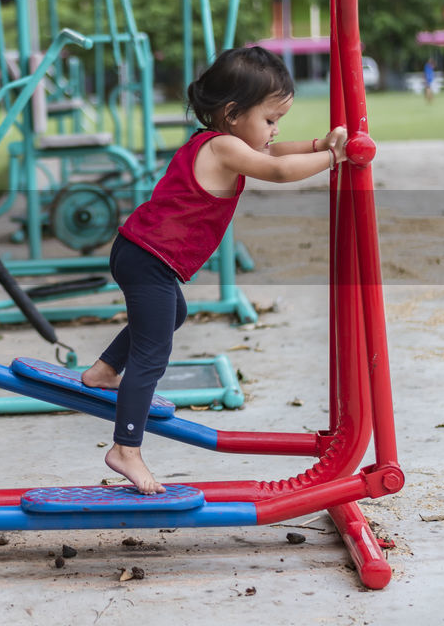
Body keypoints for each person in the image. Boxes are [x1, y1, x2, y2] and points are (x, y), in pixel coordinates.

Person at [81, 46, 347, 494]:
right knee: (153, 353)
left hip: (142, 253)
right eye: (268, 119)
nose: (274, 130)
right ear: (232, 113)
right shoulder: (223, 148)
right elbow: (280, 170)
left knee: (173, 317)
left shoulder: (219, 143)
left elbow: (278, 151)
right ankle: (124, 449)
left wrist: (320, 145)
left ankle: (104, 371)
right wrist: (336, 158)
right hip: (149, 258)